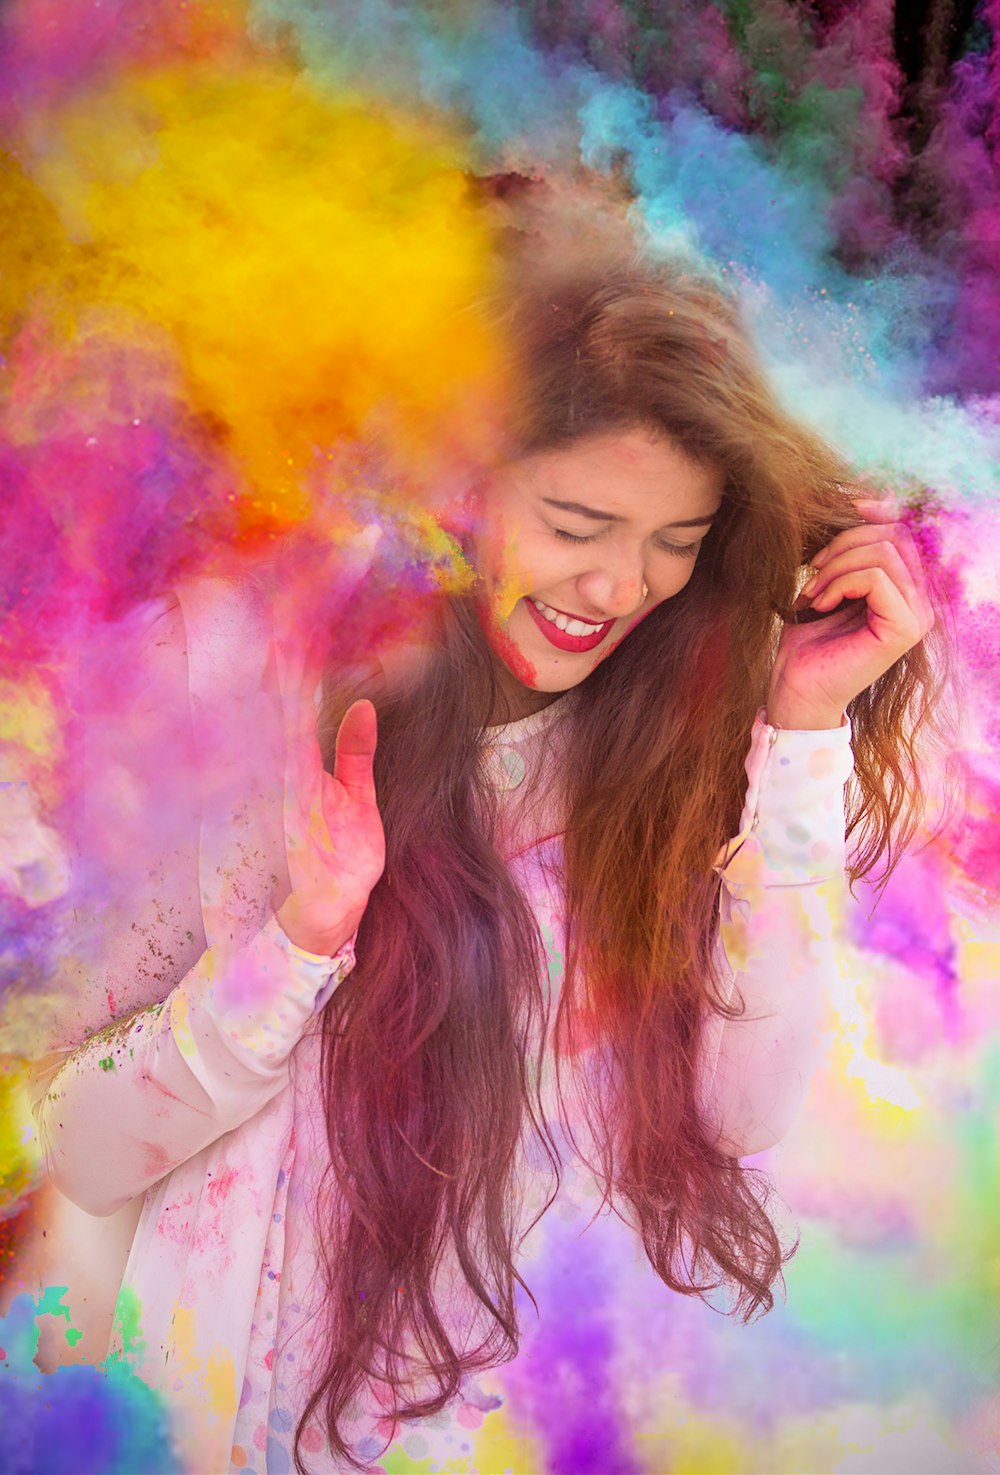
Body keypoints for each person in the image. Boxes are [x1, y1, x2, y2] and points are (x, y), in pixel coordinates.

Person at [27, 211, 941, 1475]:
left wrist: (798, 739)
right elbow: (74, 1144)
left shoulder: (662, 758)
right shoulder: (237, 675)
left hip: (464, 1430)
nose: (622, 589)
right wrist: (296, 945)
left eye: (674, 545)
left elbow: (741, 1110)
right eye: (577, 523)